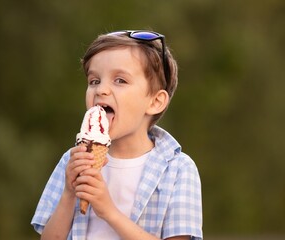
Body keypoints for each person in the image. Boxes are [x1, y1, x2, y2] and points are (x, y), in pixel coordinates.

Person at [31, 30, 203, 240]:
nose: (101, 90)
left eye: (120, 80)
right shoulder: (73, 160)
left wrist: (109, 212)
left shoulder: (178, 169)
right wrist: (69, 193)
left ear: (155, 102)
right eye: (94, 81)